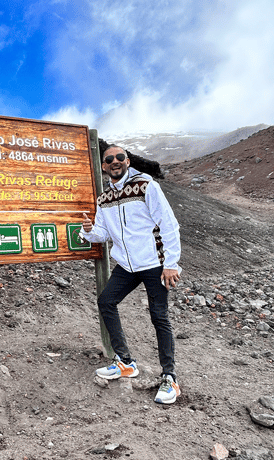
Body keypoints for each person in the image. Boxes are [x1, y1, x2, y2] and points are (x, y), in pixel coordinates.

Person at [81, 145, 182, 404]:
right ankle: (125, 362)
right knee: (106, 301)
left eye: (119, 157)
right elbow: (103, 234)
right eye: (109, 159)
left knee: (159, 316)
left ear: (127, 161)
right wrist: (90, 230)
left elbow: (169, 224)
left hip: (153, 263)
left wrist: (171, 263)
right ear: (104, 166)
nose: (115, 162)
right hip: (126, 265)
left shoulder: (146, 185)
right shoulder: (104, 198)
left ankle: (170, 378)